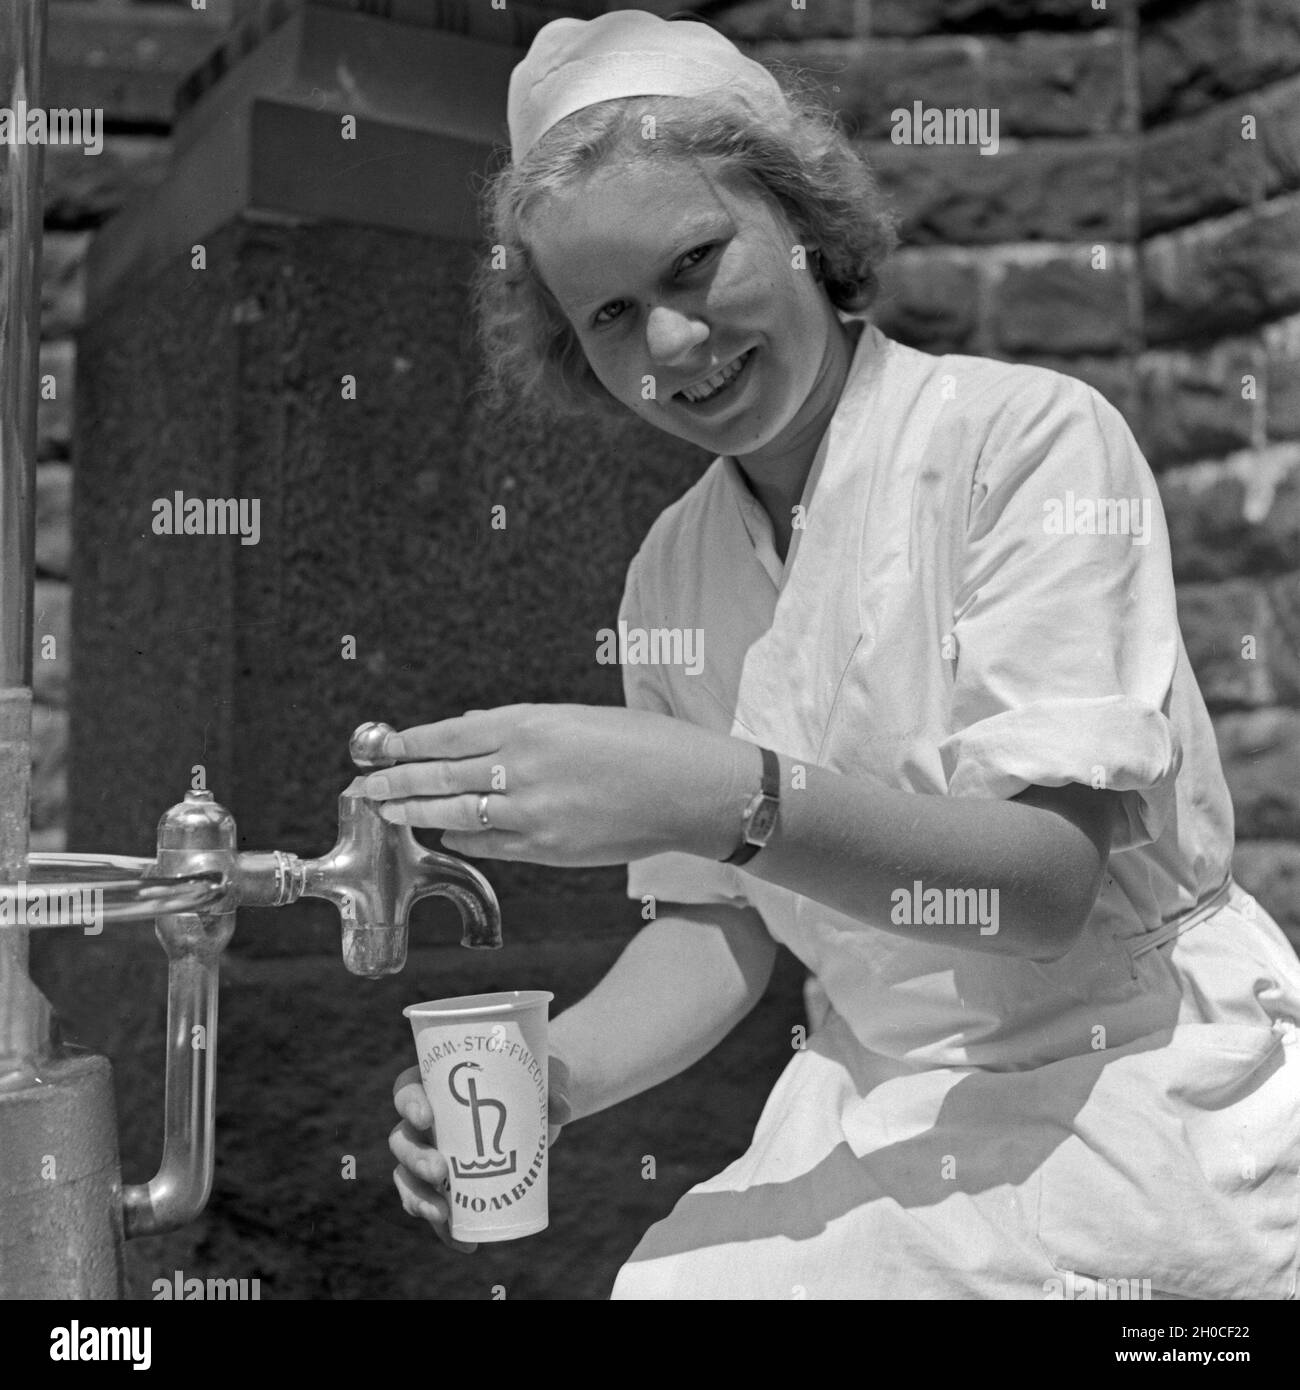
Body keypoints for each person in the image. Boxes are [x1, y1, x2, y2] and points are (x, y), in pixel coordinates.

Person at [383, 10, 1300, 1299]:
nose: (673, 346)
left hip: (1130, 1085)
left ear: (803, 216)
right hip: (873, 1097)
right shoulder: (671, 570)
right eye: (608, 315)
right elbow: (718, 929)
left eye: (697, 262)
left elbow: (1038, 891)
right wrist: (551, 1081)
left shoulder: (1026, 445)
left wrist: (713, 794)